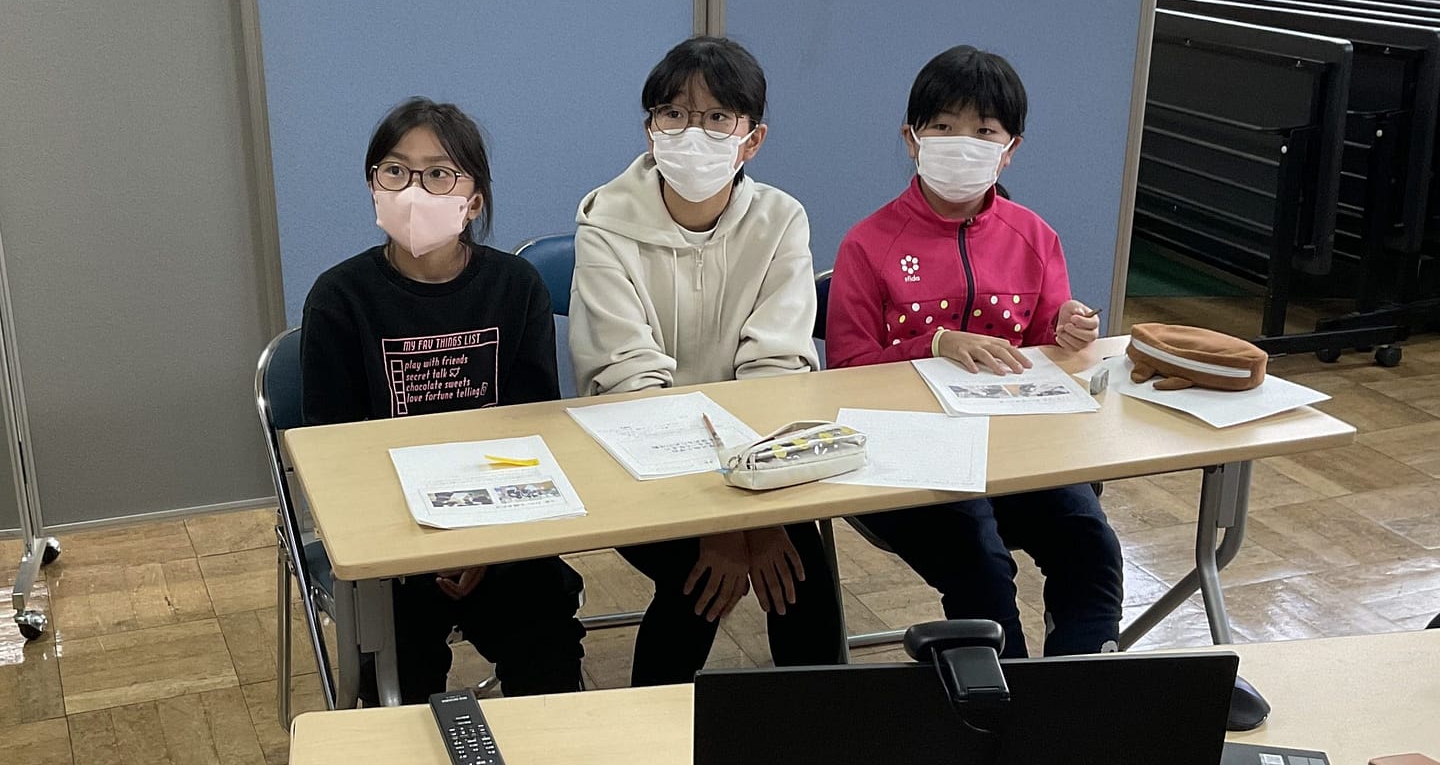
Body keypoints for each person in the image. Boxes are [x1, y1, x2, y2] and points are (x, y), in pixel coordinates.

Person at [825, 46, 1124, 657]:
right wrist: (935, 344)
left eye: (984, 131)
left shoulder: (1034, 236)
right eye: (942, 126)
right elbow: (845, 370)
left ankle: (1083, 684)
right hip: (912, 454)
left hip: (1019, 451)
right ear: (911, 139)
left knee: (1091, 542)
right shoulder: (868, 244)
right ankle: (1003, 692)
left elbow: (1051, 351)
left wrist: (1069, 331)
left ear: (1010, 148)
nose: (962, 143)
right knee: (980, 559)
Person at [569, 36, 844, 685]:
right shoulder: (605, 224)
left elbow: (777, 372)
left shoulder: (781, 221)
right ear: (651, 130)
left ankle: (823, 723)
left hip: (761, 461)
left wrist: (756, 514)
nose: (693, 133)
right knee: (699, 578)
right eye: (674, 114)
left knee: (801, 574)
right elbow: (631, 380)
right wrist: (721, 525)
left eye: (717, 117)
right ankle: (653, 727)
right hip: (640, 461)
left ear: (752, 139)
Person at [300, 97, 584, 703]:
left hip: (500, 529)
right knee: (395, 686)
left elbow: (532, 428)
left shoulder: (515, 287)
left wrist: (483, 543)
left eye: (438, 174)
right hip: (392, 545)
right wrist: (423, 549)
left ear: (473, 200)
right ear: (373, 188)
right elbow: (334, 453)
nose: (413, 190)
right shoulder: (340, 298)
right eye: (395, 171)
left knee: (549, 661)